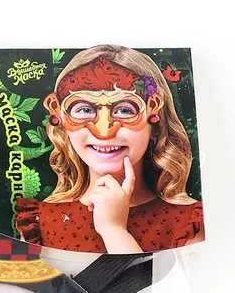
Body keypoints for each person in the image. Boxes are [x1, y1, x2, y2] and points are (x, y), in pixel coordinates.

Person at [16, 45, 204, 254]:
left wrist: (113, 230)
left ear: (154, 115)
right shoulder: (41, 222)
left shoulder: (190, 223)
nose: (104, 131)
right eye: (84, 109)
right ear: (59, 114)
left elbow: (155, 279)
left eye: (124, 110)